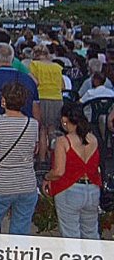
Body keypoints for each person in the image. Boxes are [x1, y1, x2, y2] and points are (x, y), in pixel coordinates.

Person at [0, 80, 40, 235]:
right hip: (26, 182)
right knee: (21, 228)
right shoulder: (32, 124)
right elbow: (32, 150)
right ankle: (15, 257)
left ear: (4, 100)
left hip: (1, 182)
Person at [44, 101, 102, 239]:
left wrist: (47, 177)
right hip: (92, 189)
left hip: (69, 189)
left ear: (65, 119)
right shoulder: (93, 139)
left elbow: (58, 171)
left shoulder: (63, 141)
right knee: (91, 233)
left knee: (71, 236)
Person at [30, 44, 65, 166]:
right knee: (53, 129)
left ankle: (42, 160)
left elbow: (35, 82)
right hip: (57, 99)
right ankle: (54, 158)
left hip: (42, 97)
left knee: (42, 129)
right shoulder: (57, 67)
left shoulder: (34, 65)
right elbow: (63, 86)